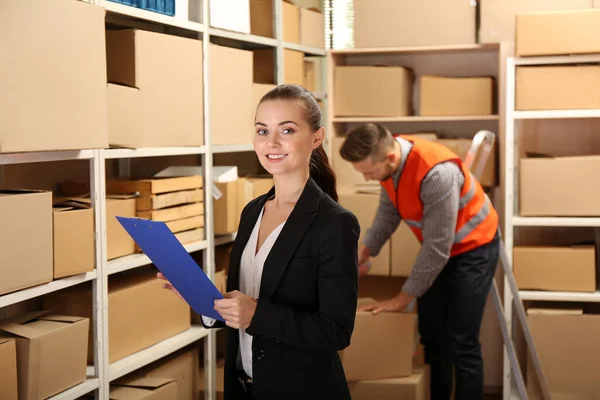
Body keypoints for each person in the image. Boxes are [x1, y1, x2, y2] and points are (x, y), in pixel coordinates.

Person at [159, 84, 360, 400]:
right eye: (262, 131)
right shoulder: (252, 211)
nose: (272, 142)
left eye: (288, 130)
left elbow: (336, 330)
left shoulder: (334, 222)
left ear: (317, 137)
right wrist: (201, 296)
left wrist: (257, 315)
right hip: (244, 389)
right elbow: (246, 301)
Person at [338, 123, 500, 400]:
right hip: (440, 249)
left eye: (369, 172)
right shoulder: (389, 162)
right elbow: (389, 211)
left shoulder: (437, 173)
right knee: (433, 337)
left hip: (474, 249)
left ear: (389, 158)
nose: (367, 178)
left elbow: (437, 247)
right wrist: (365, 249)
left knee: (462, 341)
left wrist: (401, 299)